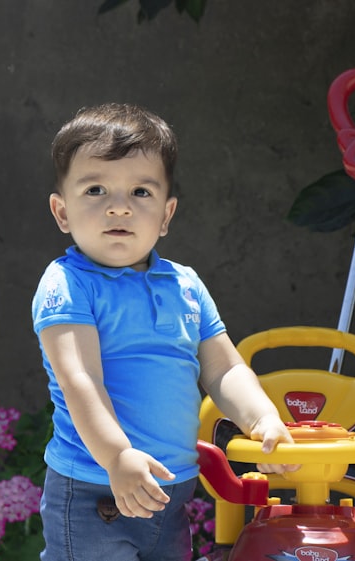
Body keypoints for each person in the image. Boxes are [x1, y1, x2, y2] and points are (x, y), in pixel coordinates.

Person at [31, 102, 295, 561]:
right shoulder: (68, 284)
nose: (119, 206)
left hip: (171, 491)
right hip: (97, 490)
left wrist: (263, 419)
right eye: (95, 189)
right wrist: (116, 457)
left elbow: (224, 368)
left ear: (167, 215)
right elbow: (81, 380)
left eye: (140, 192)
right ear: (62, 212)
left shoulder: (185, 286)